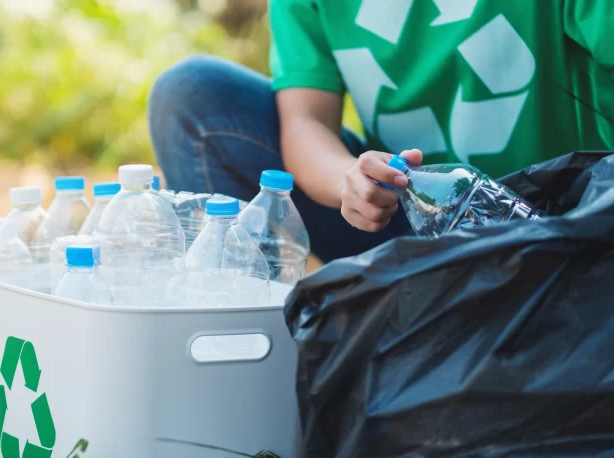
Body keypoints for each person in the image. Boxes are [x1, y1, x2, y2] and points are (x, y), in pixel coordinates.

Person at [148, 0, 613, 263]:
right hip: (400, 219)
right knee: (194, 98)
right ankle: (251, 356)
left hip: (554, 221)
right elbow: (307, 122)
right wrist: (352, 180)